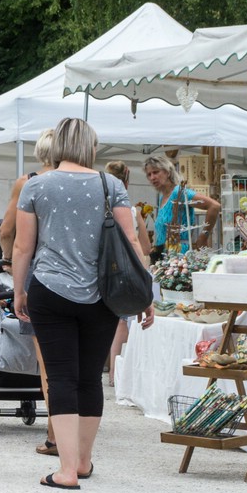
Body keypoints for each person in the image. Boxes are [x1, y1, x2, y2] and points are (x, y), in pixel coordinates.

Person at [12, 118, 154, 490]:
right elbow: (130, 241)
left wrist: (18, 291)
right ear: (92, 147)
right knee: (90, 377)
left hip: (50, 289)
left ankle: (67, 469)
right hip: (102, 296)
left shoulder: (36, 186)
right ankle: (85, 461)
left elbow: (23, 246)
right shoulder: (111, 185)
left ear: (57, 145)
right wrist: (145, 291)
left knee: (61, 378)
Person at [0, 129, 59, 457]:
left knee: (48, 362)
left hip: (40, 274)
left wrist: (8, 262)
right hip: (80, 277)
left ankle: (55, 435)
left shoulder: (29, 182)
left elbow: (8, 230)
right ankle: (76, 425)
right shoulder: (86, 180)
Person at [104, 160, 152, 388]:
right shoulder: (133, 212)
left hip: (109, 270)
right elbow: (146, 247)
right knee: (130, 322)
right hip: (131, 269)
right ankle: (131, 374)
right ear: (127, 182)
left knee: (117, 323)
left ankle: (113, 373)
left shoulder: (101, 208)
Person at [142, 154, 221, 262]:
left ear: (168, 172)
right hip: (164, 258)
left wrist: (203, 237)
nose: (152, 177)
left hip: (179, 257)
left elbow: (214, 206)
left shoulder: (179, 193)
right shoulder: (162, 198)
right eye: (149, 174)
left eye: (156, 172)